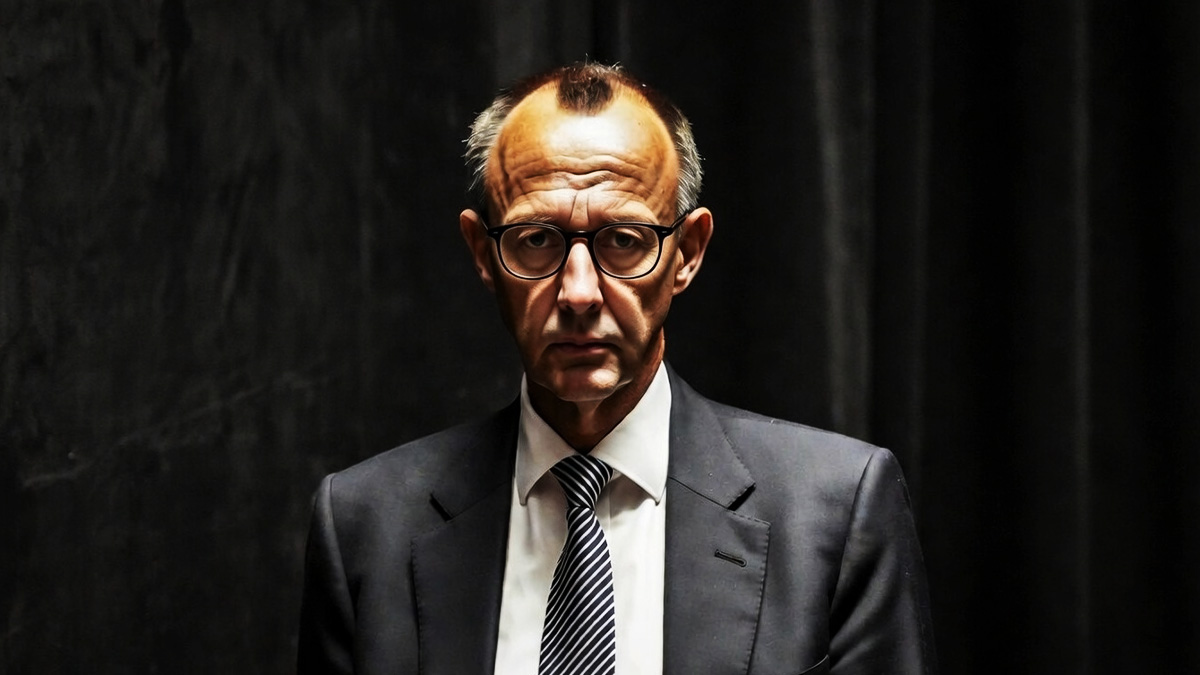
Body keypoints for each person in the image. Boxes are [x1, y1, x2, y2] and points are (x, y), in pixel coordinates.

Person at [299, 62, 936, 675]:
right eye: (536, 239)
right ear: (483, 255)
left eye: (625, 241)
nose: (579, 293)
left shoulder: (834, 516)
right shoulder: (365, 527)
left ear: (687, 253)